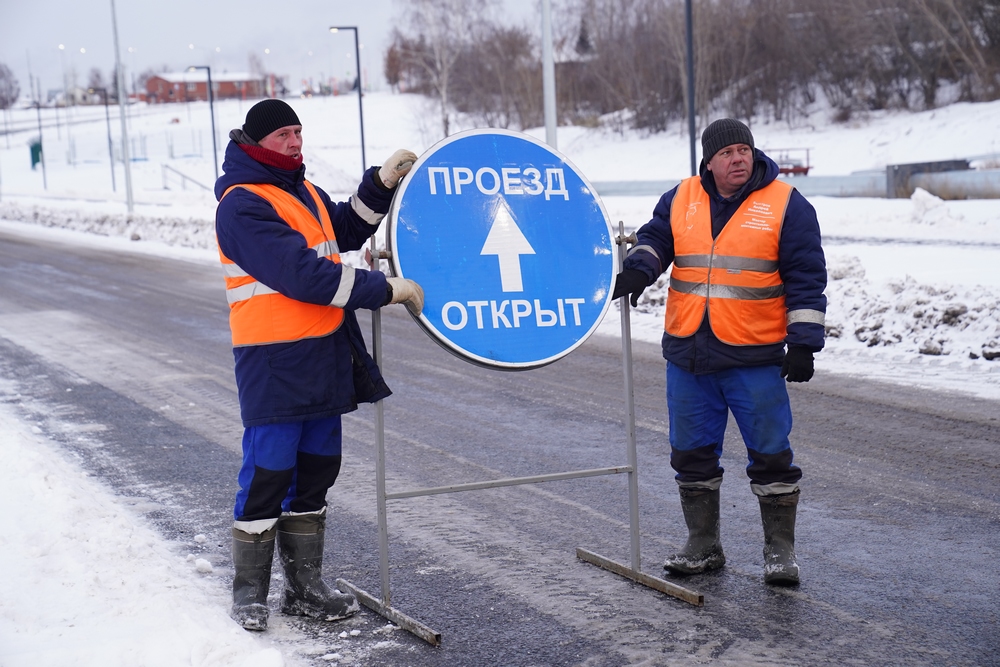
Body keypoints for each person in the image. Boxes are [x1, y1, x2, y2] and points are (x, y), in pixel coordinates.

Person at [214, 98, 424, 630]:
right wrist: (383, 289)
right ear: (256, 141)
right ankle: (250, 595)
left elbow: (344, 229)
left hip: (323, 354)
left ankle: (305, 590)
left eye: (298, 132)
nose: (295, 142)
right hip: (273, 363)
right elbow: (305, 274)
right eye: (284, 134)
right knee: (268, 474)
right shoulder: (241, 205)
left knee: (316, 474)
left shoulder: (301, 191)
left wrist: (379, 183)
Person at [612, 118, 826, 586]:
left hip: (754, 357)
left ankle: (779, 551)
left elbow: (806, 277)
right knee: (690, 453)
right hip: (690, 354)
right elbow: (655, 241)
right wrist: (639, 270)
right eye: (727, 153)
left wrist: (805, 343)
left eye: (744, 150)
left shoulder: (787, 204)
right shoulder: (681, 197)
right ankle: (703, 545)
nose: (738, 158)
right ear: (709, 161)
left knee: (771, 454)